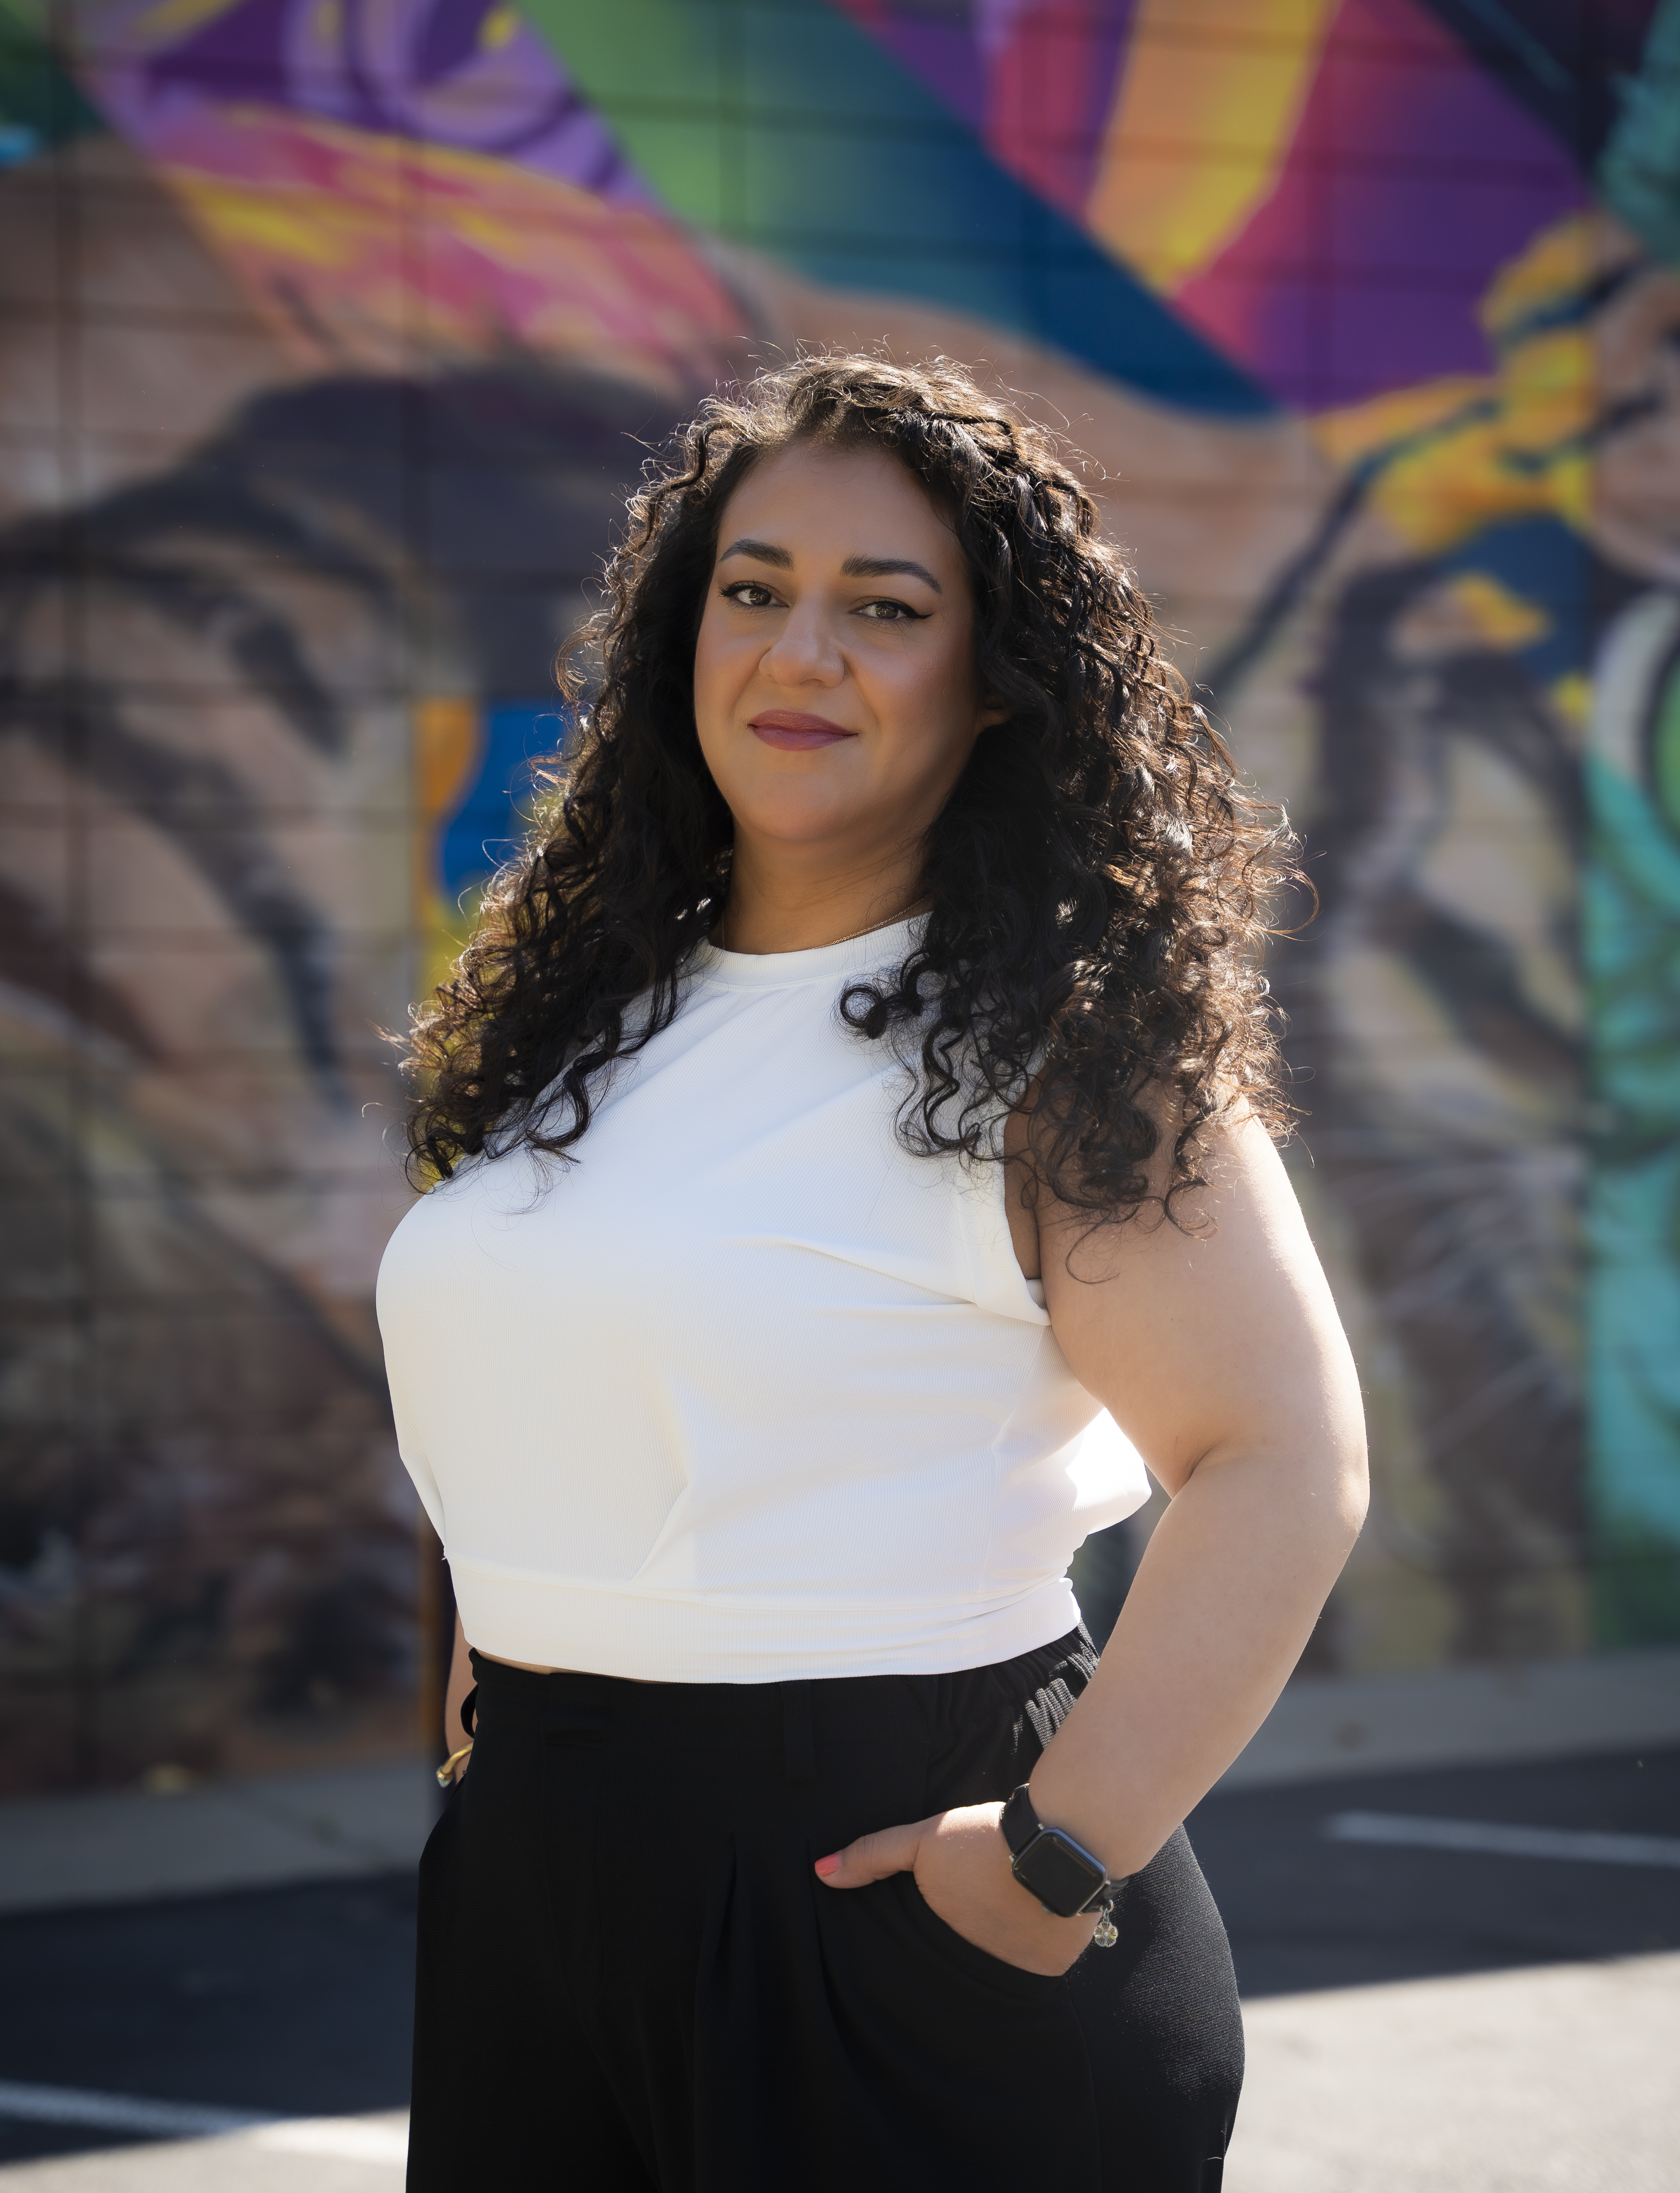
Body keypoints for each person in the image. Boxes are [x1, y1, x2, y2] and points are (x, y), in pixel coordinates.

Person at [377, 355, 1369, 2191]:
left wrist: (1054, 1863)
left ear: (996, 688)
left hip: (897, 1890)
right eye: (752, 590)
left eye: (884, 607)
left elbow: (1281, 1458)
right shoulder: (587, 1015)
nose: (800, 650)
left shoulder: (1066, 1041)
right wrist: (485, 1703)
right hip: (536, 1876)